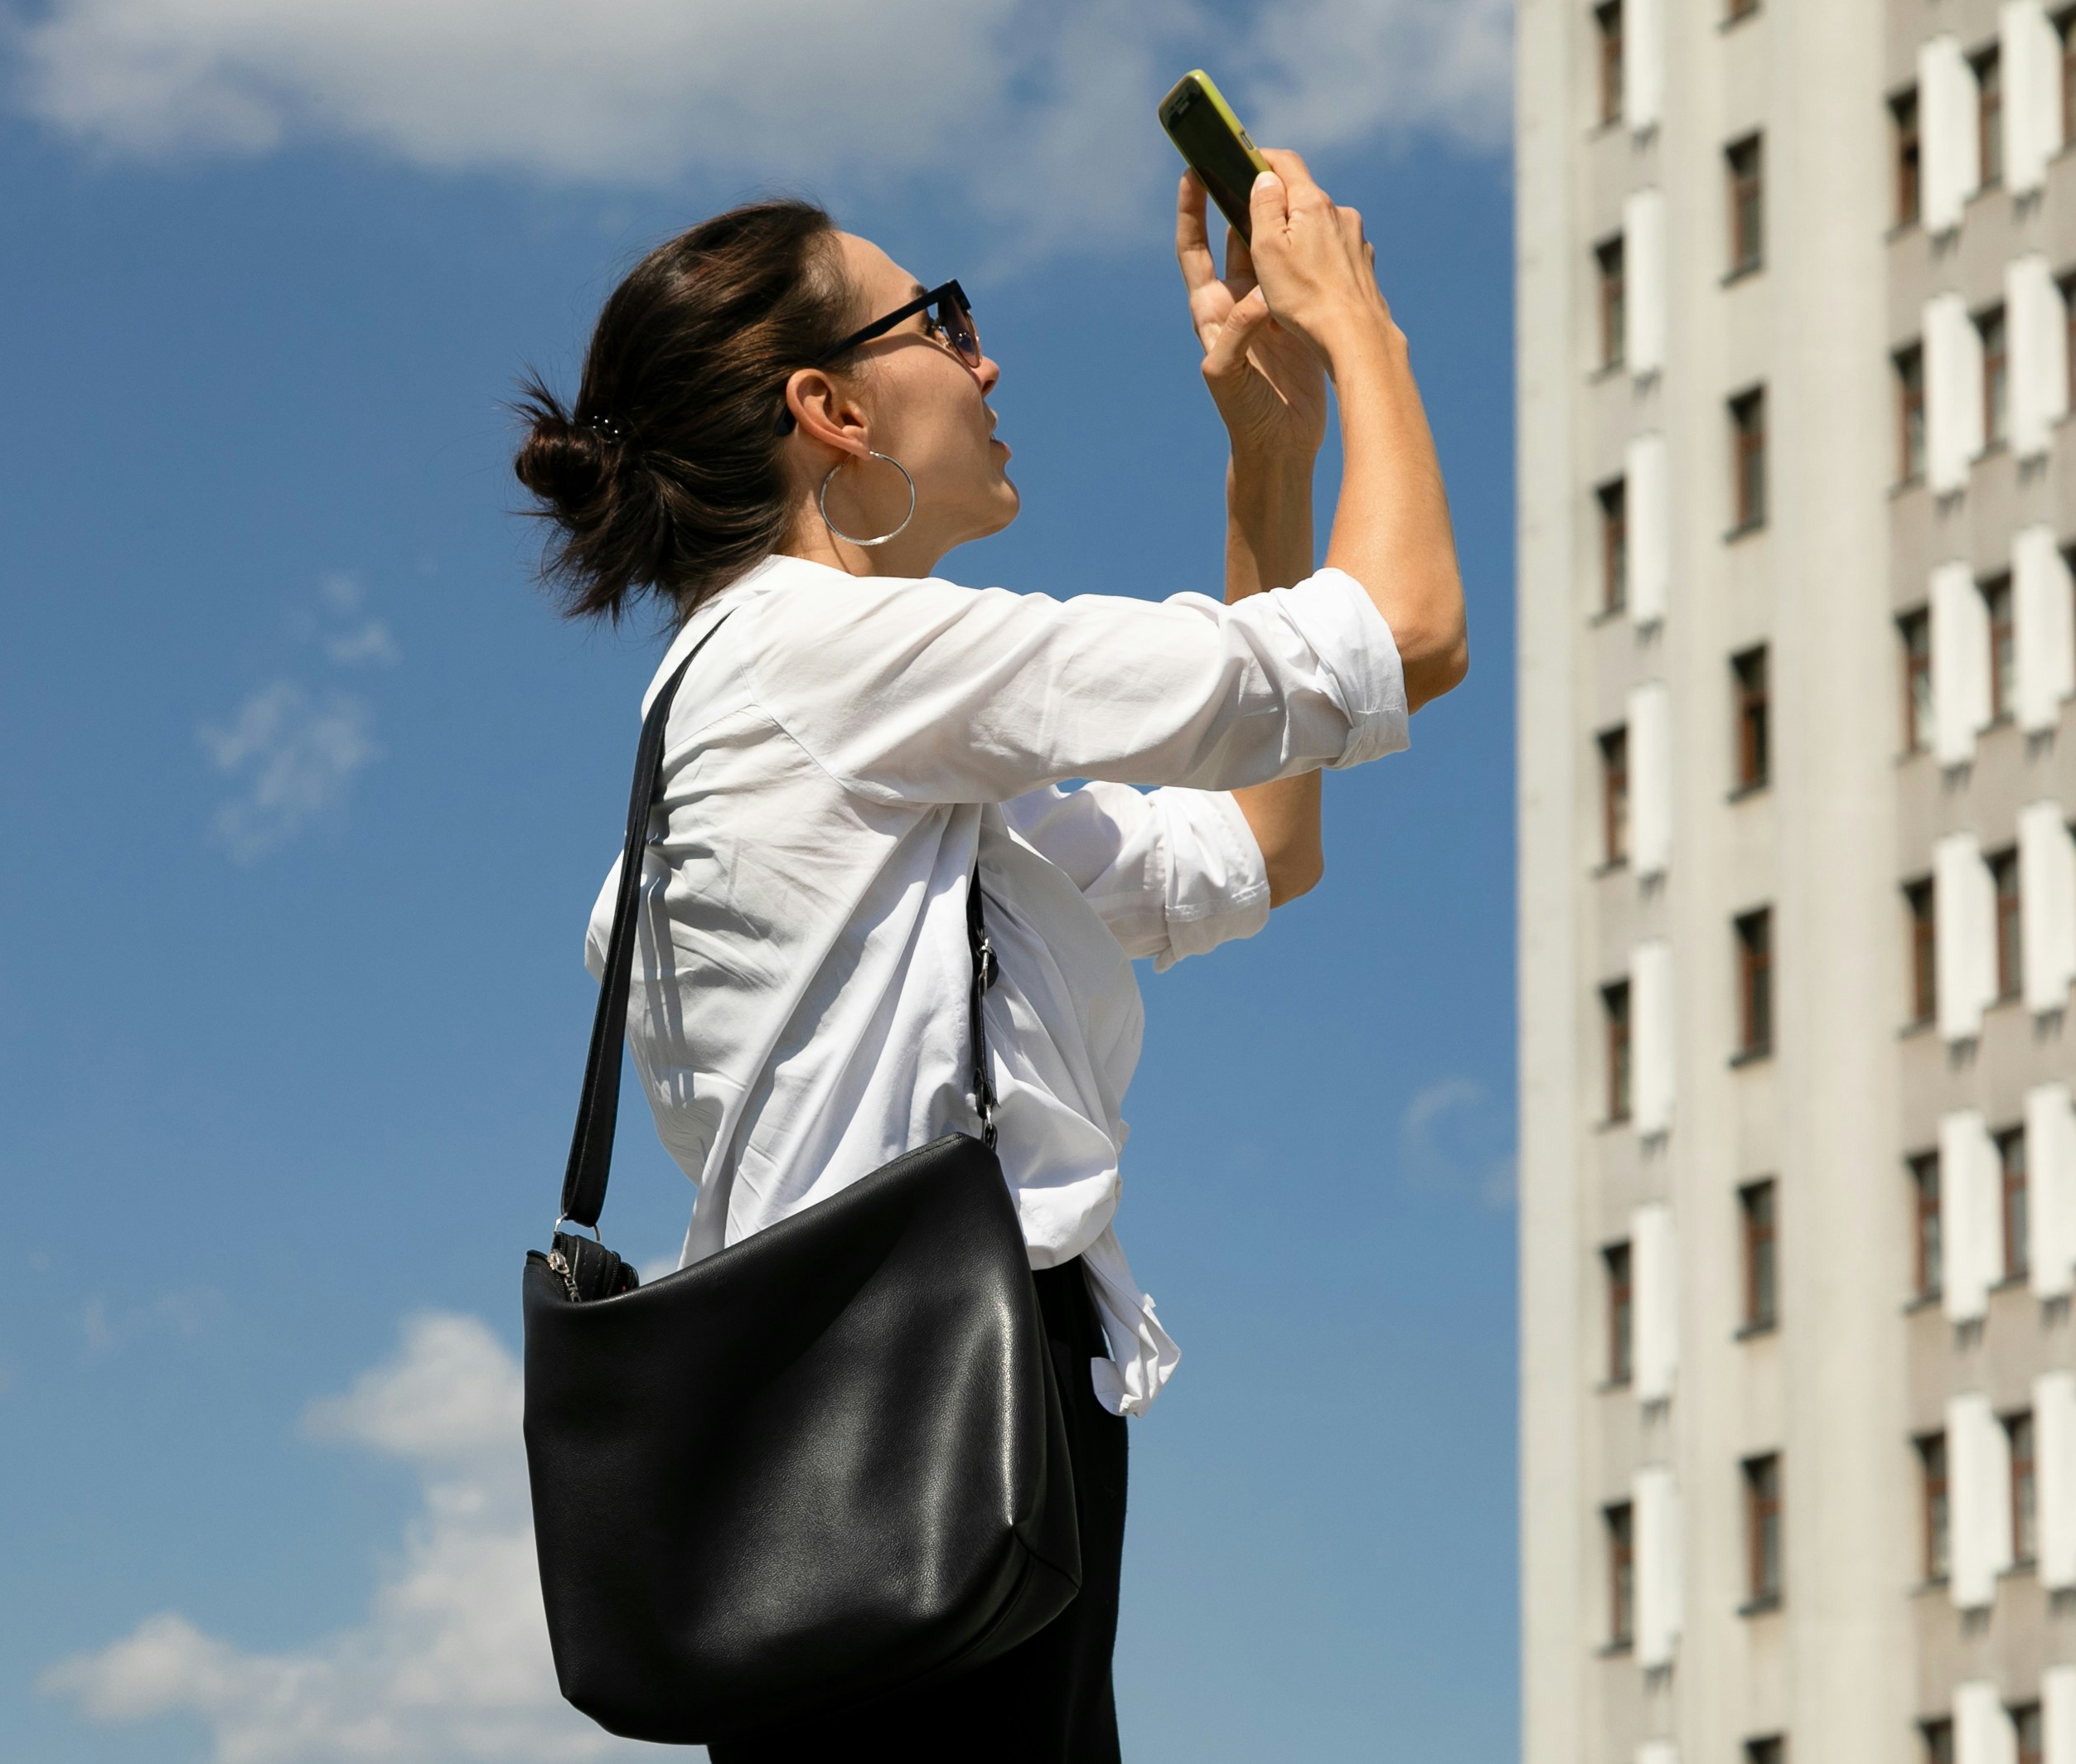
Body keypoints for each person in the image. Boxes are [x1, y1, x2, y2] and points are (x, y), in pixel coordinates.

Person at [510, 152, 1464, 1762]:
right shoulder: (814, 654)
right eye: (939, 321)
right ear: (832, 410)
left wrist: (1271, 459)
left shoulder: (858, 755)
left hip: (907, 1464)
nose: (986, 355)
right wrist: (1361, 324)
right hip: (913, 1438)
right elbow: (1411, 633)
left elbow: (1257, 847)